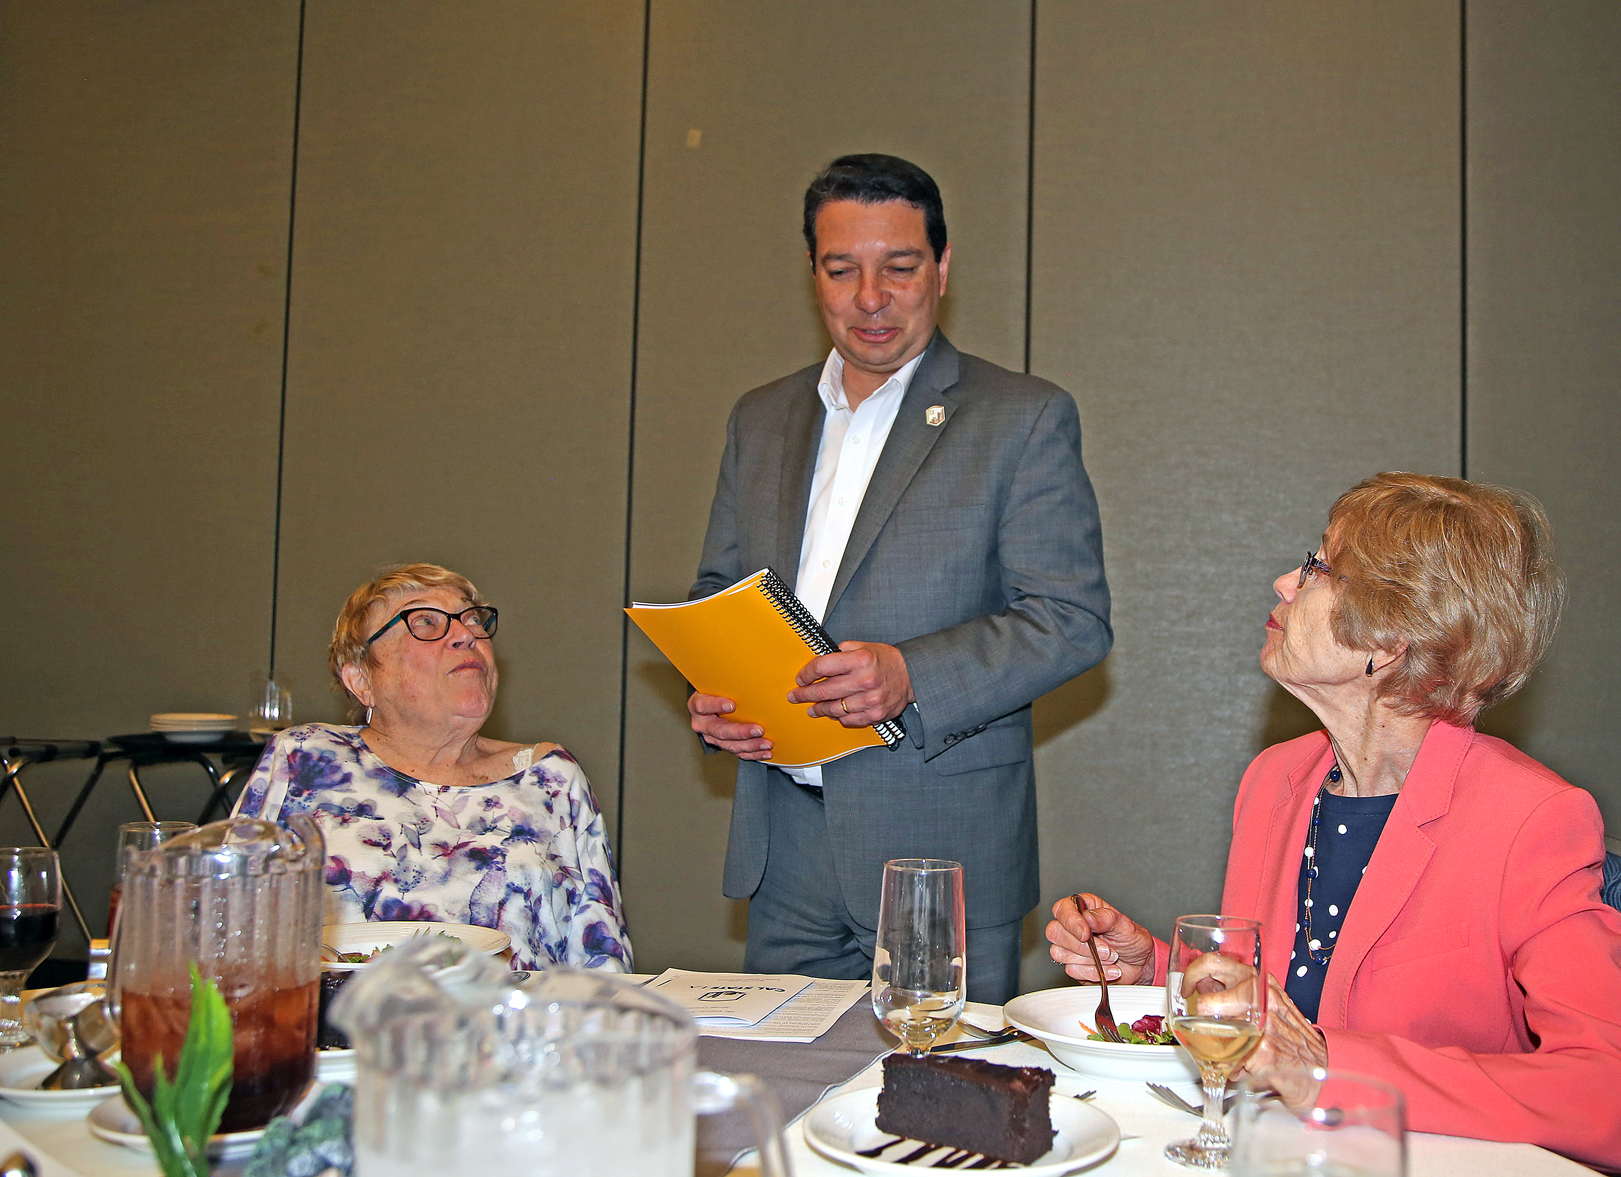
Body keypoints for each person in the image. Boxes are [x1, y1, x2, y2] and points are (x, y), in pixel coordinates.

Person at [1046, 473, 1621, 1174]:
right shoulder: (1276, 781)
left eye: (1318, 569)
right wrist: (1154, 970)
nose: (1286, 582)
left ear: (1394, 636)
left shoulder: (1530, 818)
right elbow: (1281, 1006)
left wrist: (1328, 1064)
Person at [688, 154, 1111, 1004]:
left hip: (939, 850)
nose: (870, 296)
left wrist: (912, 674)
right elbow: (721, 593)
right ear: (813, 274)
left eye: (900, 267)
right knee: (784, 1115)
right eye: (842, 270)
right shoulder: (760, 418)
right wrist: (717, 695)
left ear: (943, 270)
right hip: (785, 852)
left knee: (940, 1114)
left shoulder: (1021, 417)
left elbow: (1070, 619)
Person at [234, 563, 631, 972]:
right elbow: (227, 929)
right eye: (426, 622)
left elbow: (603, 965)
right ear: (361, 678)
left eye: (473, 620)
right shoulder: (304, 757)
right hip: (337, 1028)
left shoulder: (549, 777)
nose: (465, 635)